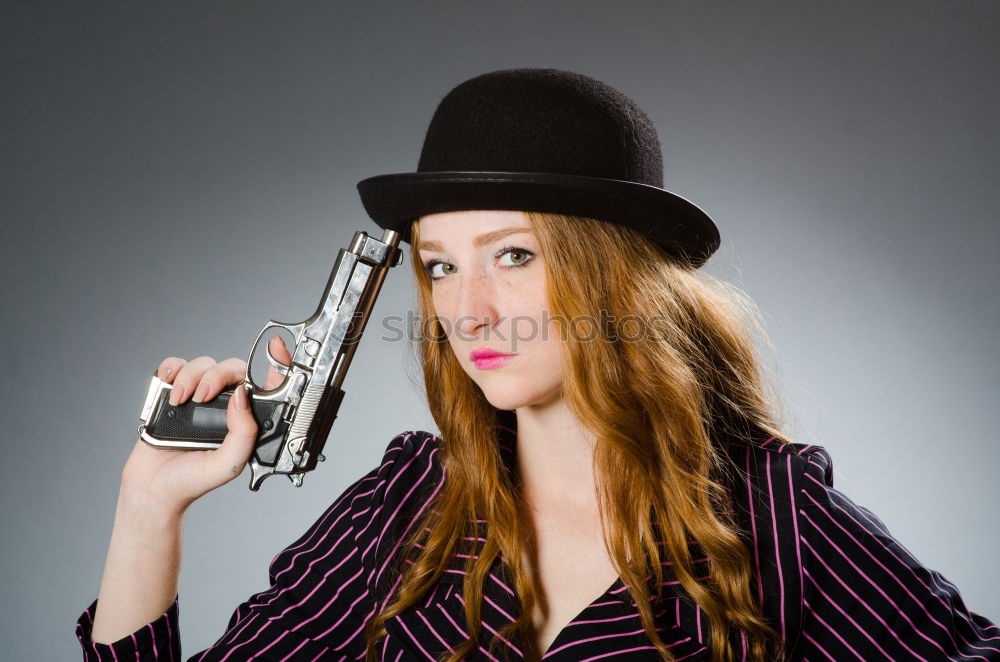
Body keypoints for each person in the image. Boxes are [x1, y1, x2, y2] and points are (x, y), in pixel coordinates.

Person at [76, 68, 998, 661]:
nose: (467, 309)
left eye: (515, 256)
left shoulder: (769, 514)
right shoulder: (406, 508)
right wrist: (148, 508)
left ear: (613, 277)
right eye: (440, 265)